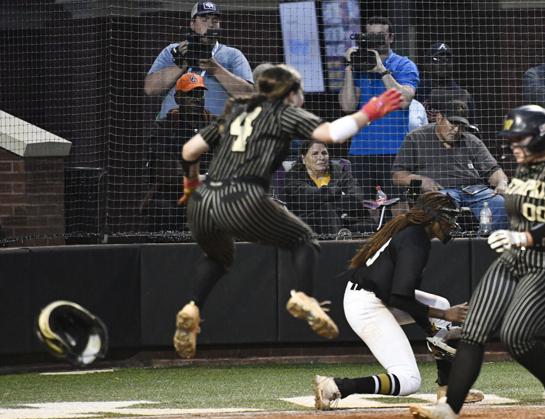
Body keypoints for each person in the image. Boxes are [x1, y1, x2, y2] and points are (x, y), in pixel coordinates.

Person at [171, 64, 403, 358]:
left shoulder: (236, 111)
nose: (302, 95)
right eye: (299, 89)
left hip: (203, 202)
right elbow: (331, 133)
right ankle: (303, 297)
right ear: (289, 93)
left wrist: (191, 185)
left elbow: (189, 152)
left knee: (218, 257)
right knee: (303, 240)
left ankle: (193, 307)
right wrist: (371, 110)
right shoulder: (283, 112)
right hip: (243, 196)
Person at [409, 105, 545, 419]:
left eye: (520, 138)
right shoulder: (523, 172)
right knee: (474, 328)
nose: (513, 144)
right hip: (514, 260)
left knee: (516, 335)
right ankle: (449, 410)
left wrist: (524, 235)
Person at [314, 191, 483, 409]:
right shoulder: (415, 241)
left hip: (373, 297)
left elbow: (399, 294)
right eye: (448, 217)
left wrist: (435, 328)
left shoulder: (414, 234)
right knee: (408, 381)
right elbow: (399, 297)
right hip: (367, 305)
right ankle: (336, 386)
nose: (452, 223)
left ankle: (448, 389)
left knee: (440, 303)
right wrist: (442, 317)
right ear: (432, 218)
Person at [392, 93, 509, 229]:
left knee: (500, 203)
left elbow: (494, 171)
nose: (457, 130)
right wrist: (422, 180)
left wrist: (502, 182)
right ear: (439, 118)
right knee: (437, 204)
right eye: (453, 123)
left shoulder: (470, 140)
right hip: (441, 192)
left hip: (474, 191)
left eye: (461, 125)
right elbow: (397, 176)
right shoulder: (416, 138)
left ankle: (486, 245)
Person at [339, 17, 419, 200]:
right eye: (371, 36)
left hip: (395, 151)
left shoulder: (404, 65)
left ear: (390, 37)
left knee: (399, 206)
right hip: (360, 150)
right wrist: (350, 68)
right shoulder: (358, 65)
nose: (374, 40)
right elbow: (347, 105)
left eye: (380, 36)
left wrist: (382, 70)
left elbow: (404, 101)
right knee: (365, 206)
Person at [145, 1, 254, 119]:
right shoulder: (173, 51)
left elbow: (249, 95)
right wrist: (181, 65)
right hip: (173, 129)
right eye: (204, 19)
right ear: (192, 24)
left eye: (215, 20)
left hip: (215, 132)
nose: (211, 25)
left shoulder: (233, 55)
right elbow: (150, 89)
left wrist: (215, 69)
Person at [142, 72, 216, 232]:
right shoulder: (164, 128)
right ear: (178, 98)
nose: (196, 98)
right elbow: (168, 173)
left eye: (199, 94)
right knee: (160, 210)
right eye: (190, 94)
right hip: (173, 195)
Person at [282, 140, 374, 236]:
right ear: (303, 159)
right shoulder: (293, 177)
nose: (321, 157)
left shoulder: (341, 173)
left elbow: (357, 198)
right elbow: (306, 199)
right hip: (310, 223)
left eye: (324, 153)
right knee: (326, 210)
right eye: (315, 154)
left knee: (369, 226)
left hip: (349, 219)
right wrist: (336, 192)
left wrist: (325, 199)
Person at [416, 42, 474, 122]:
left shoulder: (462, 94)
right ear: (427, 65)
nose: (444, 63)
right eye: (437, 59)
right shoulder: (417, 90)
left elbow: (472, 126)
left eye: (448, 59)